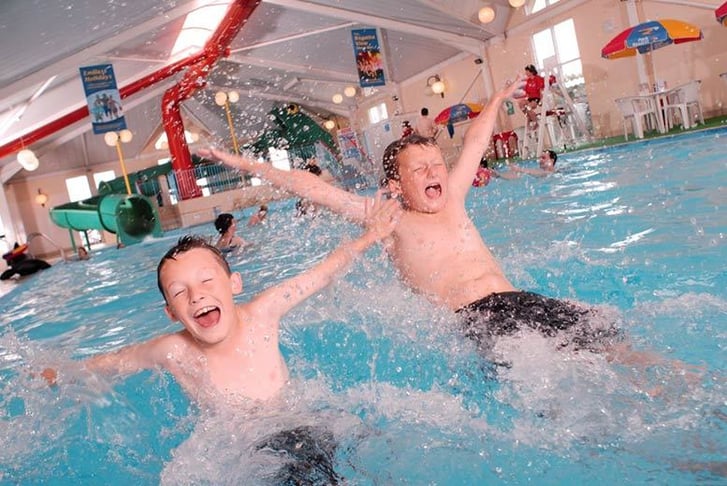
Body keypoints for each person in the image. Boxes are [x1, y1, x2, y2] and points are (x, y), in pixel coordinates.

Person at [198, 80, 689, 370]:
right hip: (479, 319)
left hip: (523, 299)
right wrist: (242, 165)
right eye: (421, 170)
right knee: (569, 375)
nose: (437, 173)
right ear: (396, 184)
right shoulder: (387, 219)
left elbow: (475, 140)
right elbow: (312, 190)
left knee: (617, 345)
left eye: (437, 164)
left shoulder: (452, 199)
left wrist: (496, 98)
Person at [41, 194, 400, 482]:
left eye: (207, 282)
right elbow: (115, 361)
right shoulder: (174, 350)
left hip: (304, 425)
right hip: (246, 451)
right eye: (180, 292)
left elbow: (320, 274)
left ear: (234, 285)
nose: (196, 296)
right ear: (171, 313)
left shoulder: (263, 313)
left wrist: (372, 234)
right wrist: (61, 372)